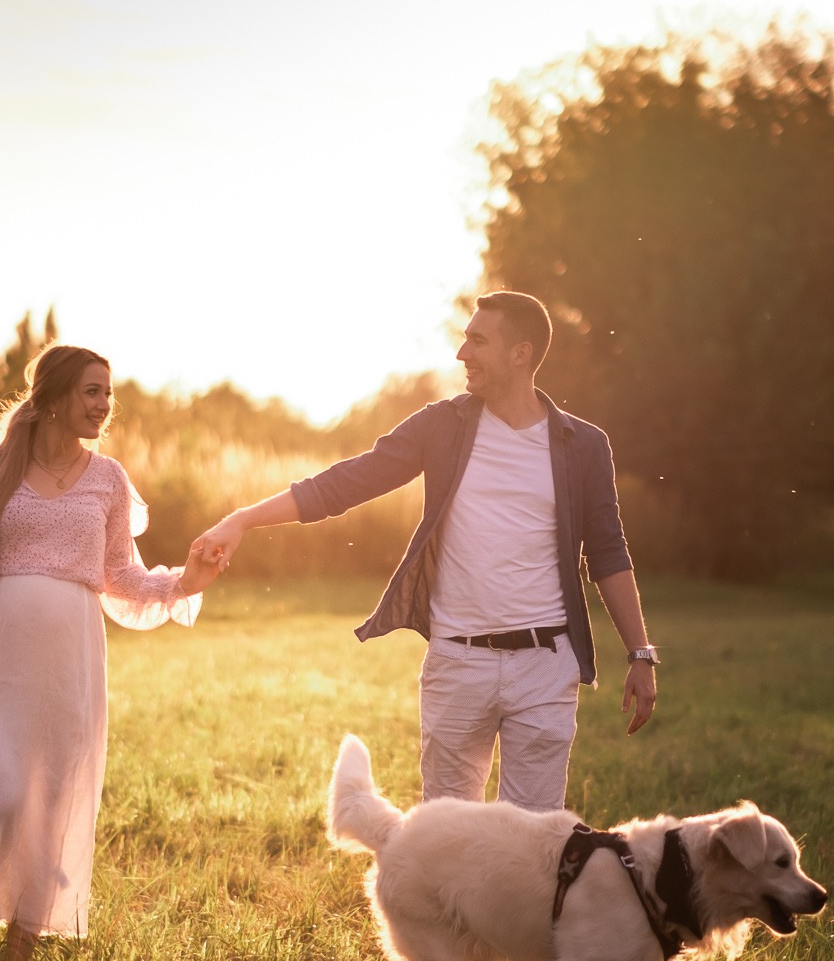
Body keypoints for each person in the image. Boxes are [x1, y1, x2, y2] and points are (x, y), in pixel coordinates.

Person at [193, 292, 657, 813]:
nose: (462, 353)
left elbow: (608, 552)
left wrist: (640, 653)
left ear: (521, 354)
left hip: (545, 665)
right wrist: (243, 519)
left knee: (534, 843)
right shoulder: (443, 426)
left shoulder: (582, 445)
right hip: (458, 661)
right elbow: (347, 483)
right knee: (448, 838)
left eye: (478, 341)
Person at [0, 344, 220, 961]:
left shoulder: (109, 479)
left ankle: (23, 941)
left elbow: (121, 574)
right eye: (92, 391)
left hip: (70, 660)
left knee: (51, 792)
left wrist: (184, 583)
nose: (104, 405)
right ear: (56, 398)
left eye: (108, 393)